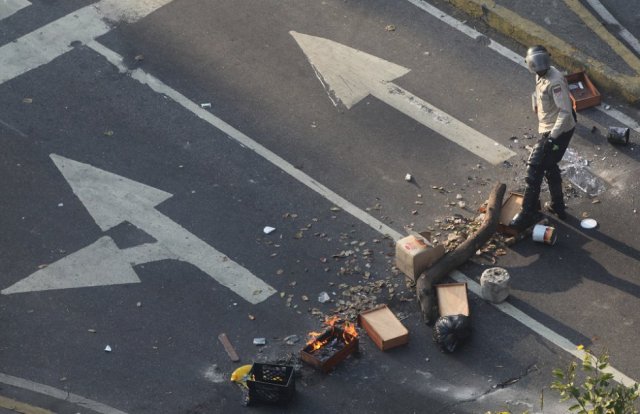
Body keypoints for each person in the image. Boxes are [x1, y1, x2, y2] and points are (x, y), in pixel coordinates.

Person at [510, 45, 576, 230]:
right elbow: (538, 91)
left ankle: (527, 213)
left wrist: (552, 139)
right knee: (549, 165)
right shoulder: (541, 72)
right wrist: (536, 103)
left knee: (534, 170)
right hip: (549, 127)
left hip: (558, 132)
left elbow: (565, 111)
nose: (540, 69)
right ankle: (558, 206)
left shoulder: (555, 82)